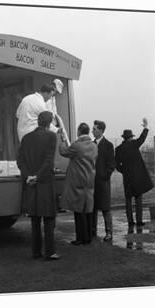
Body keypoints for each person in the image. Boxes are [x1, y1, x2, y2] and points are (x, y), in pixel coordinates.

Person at [17, 111, 60, 260]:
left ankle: (36, 251)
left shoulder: (26, 138)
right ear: (49, 123)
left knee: (35, 219)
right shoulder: (51, 136)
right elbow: (48, 161)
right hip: (45, 182)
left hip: (31, 184)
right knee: (49, 219)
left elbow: (20, 161)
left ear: (38, 121)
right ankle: (50, 252)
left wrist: (28, 176)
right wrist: (38, 176)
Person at [59, 122, 98, 245]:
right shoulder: (94, 146)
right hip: (89, 181)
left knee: (78, 212)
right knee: (88, 211)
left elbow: (64, 152)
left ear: (79, 132)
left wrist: (62, 140)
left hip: (78, 181)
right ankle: (88, 237)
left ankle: (80, 238)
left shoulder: (77, 146)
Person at [115, 118, 154, 229]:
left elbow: (117, 166)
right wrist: (146, 127)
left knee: (128, 200)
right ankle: (139, 221)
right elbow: (142, 138)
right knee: (138, 200)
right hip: (137, 177)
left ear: (123, 137)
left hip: (127, 178)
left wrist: (125, 172)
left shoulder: (118, 149)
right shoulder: (134, 145)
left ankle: (130, 222)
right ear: (131, 137)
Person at [92, 120, 116, 241]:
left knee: (105, 208)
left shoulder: (108, 145)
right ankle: (93, 232)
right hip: (92, 182)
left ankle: (109, 232)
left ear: (101, 130)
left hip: (103, 182)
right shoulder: (91, 144)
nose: (92, 131)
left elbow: (111, 164)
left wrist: (104, 176)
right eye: (93, 129)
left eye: (95, 129)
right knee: (93, 208)